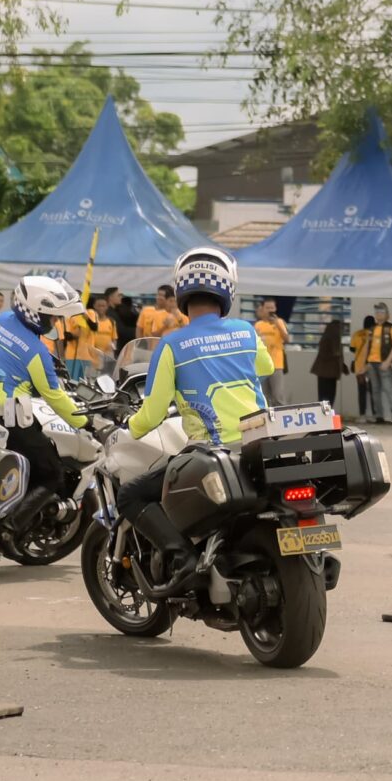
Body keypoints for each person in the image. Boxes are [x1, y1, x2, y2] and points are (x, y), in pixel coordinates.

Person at [114, 247, 278, 581]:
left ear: (181, 292)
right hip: (262, 445)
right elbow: (266, 366)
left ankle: (183, 560)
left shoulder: (172, 346)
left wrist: (126, 424)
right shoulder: (246, 331)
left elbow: (153, 414)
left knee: (131, 494)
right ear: (227, 290)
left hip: (212, 451)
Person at [0, 273, 92, 491]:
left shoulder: (1, 320)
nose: (56, 322)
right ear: (36, 314)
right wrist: (85, 423)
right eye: (53, 317)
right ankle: (16, 522)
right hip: (6, 419)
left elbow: (9, 355)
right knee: (52, 473)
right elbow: (54, 396)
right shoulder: (36, 352)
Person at [366, 306, 392, 423]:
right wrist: (366, 362)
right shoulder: (372, 328)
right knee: (375, 390)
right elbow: (368, 346)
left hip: (384, 362)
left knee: (388, 389)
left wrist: (388, 361)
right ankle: (379, 416)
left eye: (382, 312)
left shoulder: (391, 327)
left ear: (387, 314)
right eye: (377, 312)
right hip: (372, 363)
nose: (379, 314)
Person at [312, 318, 347, 414]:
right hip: (330, 373)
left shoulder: (326, 338)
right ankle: (326, 413)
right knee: (329, 395)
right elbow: (336, 355)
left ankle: (324, 413)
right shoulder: (335, 339)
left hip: (323, 372)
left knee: (323, 395)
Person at [256, 300, 289, 379]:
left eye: (272, 308)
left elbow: (287, 339)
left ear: (275, 309)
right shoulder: (258, 325)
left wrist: (277, 324)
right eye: (267, 308)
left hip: (277, 364)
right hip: (262, 365)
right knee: (263, 391)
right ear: (263, 309)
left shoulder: (280, 322)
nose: (270, 310)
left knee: (277, 391)